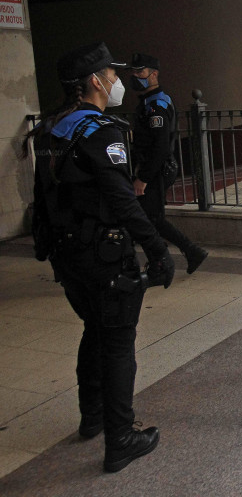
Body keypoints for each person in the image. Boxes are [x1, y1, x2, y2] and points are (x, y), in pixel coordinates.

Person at [24, 42, 174, 472]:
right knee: (117, 342)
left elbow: (43, 195)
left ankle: (92, 417)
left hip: (69, 255)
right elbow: (124, 201)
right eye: (111, 75)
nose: (117, 82)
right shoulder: (102, 130)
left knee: (94, 329)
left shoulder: (53, 127)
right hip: (105, 254)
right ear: (94, 81)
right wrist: (158, 250)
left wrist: (44, 245)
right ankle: (121, 439)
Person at [129, 53, 208, 273]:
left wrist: (143, 178)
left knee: (150, 218)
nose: (135, 76)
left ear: (153, 74)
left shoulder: (157, 105)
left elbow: (161, 147)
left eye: (140, 72)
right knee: (149, 217)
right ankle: (187, 253)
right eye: (133, 72)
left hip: (157, 169)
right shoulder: (148, 101)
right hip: (152, 168)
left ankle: (168, 259)